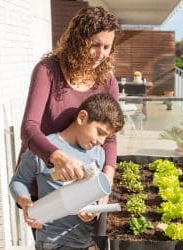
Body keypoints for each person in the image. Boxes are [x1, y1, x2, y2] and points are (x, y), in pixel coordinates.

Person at [19, 6, 120, 189]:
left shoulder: (108, 82)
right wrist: (58, 157)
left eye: (107, 47)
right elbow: (28, 128)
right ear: (79, 41)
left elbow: (110, 137)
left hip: (85, 182)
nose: (101, 54)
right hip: (44, 177)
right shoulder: (48, 70)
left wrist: (108, 177)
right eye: (95, 45)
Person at [10, 93, 125, 250]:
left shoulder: (98, 153)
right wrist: (25, 202)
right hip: (54, 241)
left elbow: (94, 191)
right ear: (82, 117)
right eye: (100, 132)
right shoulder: (46, 148)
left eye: (107, 137)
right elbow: (18, 181)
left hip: (88, 241)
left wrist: (93, 209)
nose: (101, 141)